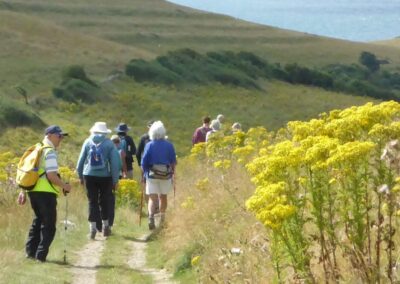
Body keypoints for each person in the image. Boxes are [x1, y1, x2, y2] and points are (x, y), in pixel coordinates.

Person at [17, 125, 71, 262]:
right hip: (46, 193)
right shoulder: (49, 151)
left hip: (33, 191)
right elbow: (51, 175)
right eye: (59, 136)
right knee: (49, 226)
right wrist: (64, 185)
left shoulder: (37, 148)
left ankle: (30, 253)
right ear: (50, 135)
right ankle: (40, 257)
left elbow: (27, 170)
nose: (61, 139)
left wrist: (23, 190)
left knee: (38, 221)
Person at [76, 122, 120, 239]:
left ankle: (92, 229)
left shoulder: (87, 142)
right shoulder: (109, 144)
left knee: (92, 201)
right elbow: (115, 163)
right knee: (104, 200)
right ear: (105, 132)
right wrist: (115, 180)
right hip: (105, 176)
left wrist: (80, 176)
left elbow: (80, 161)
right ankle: (106, 227)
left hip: (89, 175)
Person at [141, 121, 177, 230]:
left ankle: (151, 217)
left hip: (152, 175)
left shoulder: (149, 145)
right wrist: (173, 172)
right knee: (163, 197)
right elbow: (173, 162)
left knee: (152, 198)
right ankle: (162, 218)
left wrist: (144, 174)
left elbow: (144, 162)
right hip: (165, 175)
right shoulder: (169, 145)